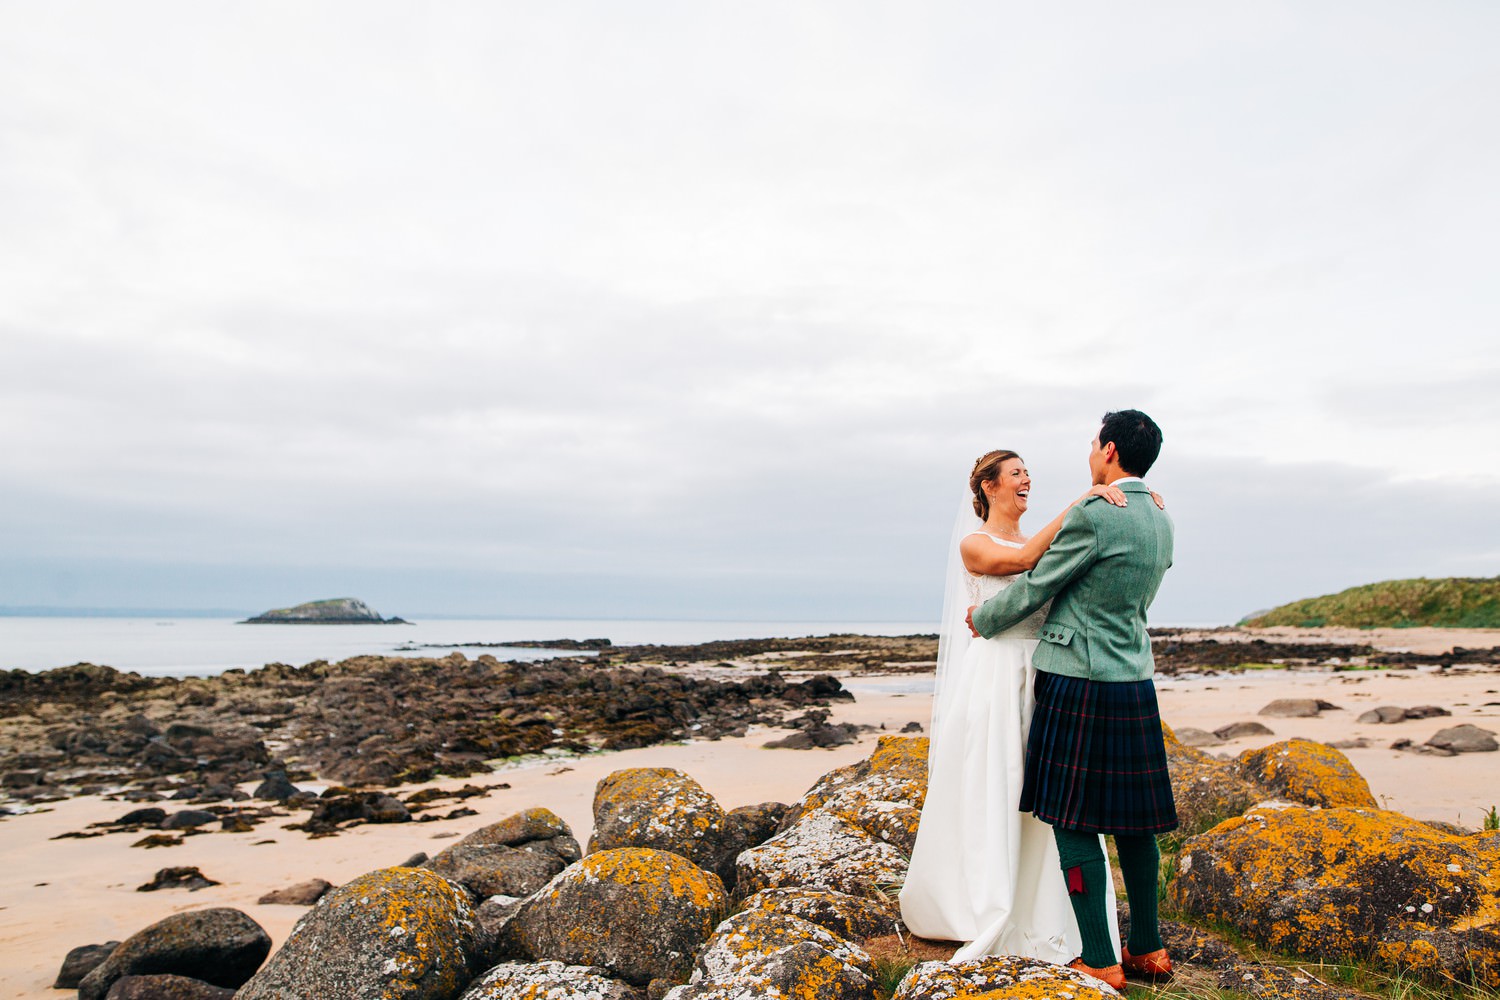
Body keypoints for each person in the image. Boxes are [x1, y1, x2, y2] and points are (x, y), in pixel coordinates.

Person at [899, 448, 1157, 963]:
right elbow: (1020, 564)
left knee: (1052, 802)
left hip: (1049, 674)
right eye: (1016, 474)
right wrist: (1087, 501)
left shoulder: (1043, 539)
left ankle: (1045, 908)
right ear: (989, 487)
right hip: (995, 678)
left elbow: (1066, 570)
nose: (1026, 480)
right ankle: (982, 901)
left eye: (1028, 473)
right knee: (997, 785)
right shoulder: (976, 544)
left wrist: (1133, 503)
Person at [966, 410, 1176, 990]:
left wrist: (984, 618)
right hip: (1133, 677)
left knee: (1070, 816)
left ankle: (1101, 959)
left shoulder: (1095, 513)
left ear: (1108, 450)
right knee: (1137, 822)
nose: (1090, 450)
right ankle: (1149, 950)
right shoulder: (1160, 515)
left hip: (1077, 679)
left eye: (1092, 442)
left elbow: (1039, 583)